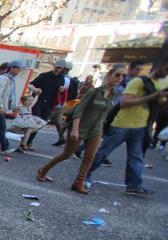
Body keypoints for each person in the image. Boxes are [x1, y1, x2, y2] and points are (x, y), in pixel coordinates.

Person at [36, 65, 124, 194]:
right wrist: (75, 129)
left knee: (90, 157)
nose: (120, 78)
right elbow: (79, 111)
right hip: (81, 127)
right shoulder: (93, 92)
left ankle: (79, 182)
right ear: (109, 75)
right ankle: (43, 170)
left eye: (123, 76)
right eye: (118, 75)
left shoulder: (114, 94)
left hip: (96, 129)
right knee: (66, 154)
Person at [85, 61, 168, 196]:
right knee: (103, 152)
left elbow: (159, 106)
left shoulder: (163, 84)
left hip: (141, 125)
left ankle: (133, 186)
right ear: (158, 66)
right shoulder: (138, 82)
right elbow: (124, 102)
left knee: (136, 157)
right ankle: (84, 175)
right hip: (122, 124)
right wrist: (153, 96)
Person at [26, 60, 66, 148]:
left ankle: (28, 140)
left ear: (62, 69)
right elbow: (29, 85)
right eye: (56, 67)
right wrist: (36, 90)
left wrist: (61, 90)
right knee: (35, 121)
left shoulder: (61, 78)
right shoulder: (44, 76)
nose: (57, 69)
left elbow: (61, 90)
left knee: (40, 124)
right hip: (38, 102)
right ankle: (27, 142)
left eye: (59, 68)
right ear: (54, 66)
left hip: (50, 104)